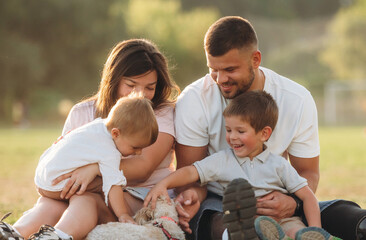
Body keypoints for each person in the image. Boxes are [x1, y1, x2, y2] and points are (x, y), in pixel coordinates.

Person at [173, 16, 366, 240]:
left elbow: (308, 172)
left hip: (278, 196)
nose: (220, 79)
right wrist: (191, 195)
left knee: (343, 214)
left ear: (255, 59)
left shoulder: (296, 99)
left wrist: (292, 203)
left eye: (230, 69)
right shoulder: (194, 100)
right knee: (217, 219)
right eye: (213, 69)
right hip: (220, 200)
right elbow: (190, 176)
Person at [0, 38, 180, 240]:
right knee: (54, 202)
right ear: (114, 80)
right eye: (131, 85)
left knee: (84, 197)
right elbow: (64, 160)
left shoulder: (162, 113)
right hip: (76, 195)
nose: (141, 94)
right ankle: (13, 233)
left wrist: (94, 169)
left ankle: (56, 236)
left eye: (150, 87)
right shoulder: (83, 113)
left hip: (137, 196)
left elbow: (143, 167)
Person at [146, 91, 340, 240]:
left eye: (240, 131)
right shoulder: (223, 160)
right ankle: (266, 234)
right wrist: (163, 184)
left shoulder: (279, 165)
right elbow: (191, 171)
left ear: (264, 134)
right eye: (228, 130)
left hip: (285, 219)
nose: (232, 137)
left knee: (296, 230)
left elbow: (308, 197)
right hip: (247, 221)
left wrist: (315, 228)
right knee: (252, 229)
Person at [0, 94, 159, 240]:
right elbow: (113, 186)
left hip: (44, 176)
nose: (138, 153)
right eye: (135, 147)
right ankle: (58, 235)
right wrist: (123, 214)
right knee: (98, 189)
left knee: (67, 200)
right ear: (116, 134)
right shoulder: (110, 151)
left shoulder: (97, 126)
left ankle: (13, 232)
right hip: (57, 183)